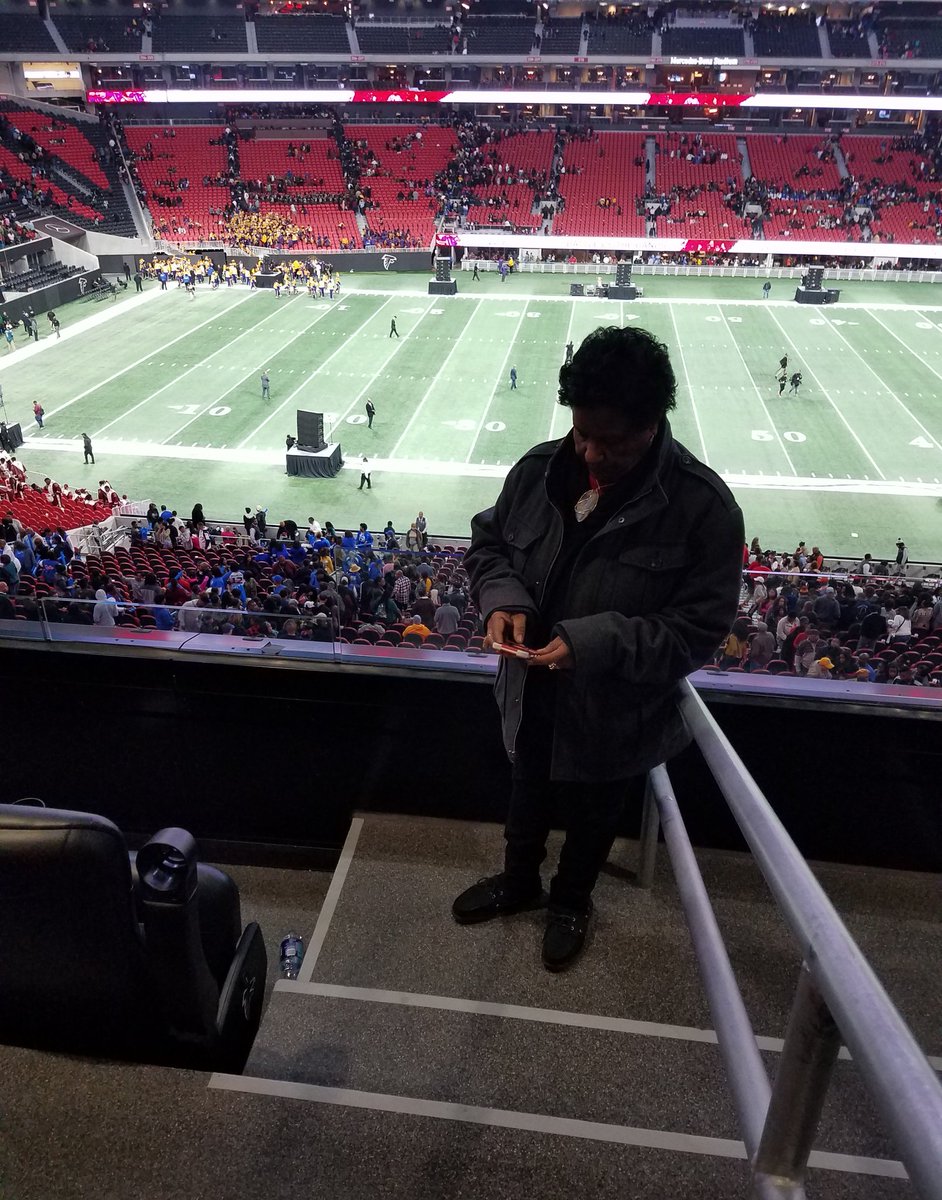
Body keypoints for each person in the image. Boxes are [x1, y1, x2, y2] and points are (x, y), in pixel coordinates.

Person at [452, 325, 743, 972]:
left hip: (615, 706)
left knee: (593, 817)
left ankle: (570, 902)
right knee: (525, 793)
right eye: (581, 432)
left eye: (609, 441)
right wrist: (502, 600)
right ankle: (519, 881)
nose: (588, 452)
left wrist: (589, 643)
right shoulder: (537, 470)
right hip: (531, 688)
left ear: (652, 424)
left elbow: (698, 629)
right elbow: (489, 546)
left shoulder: (703, 508)